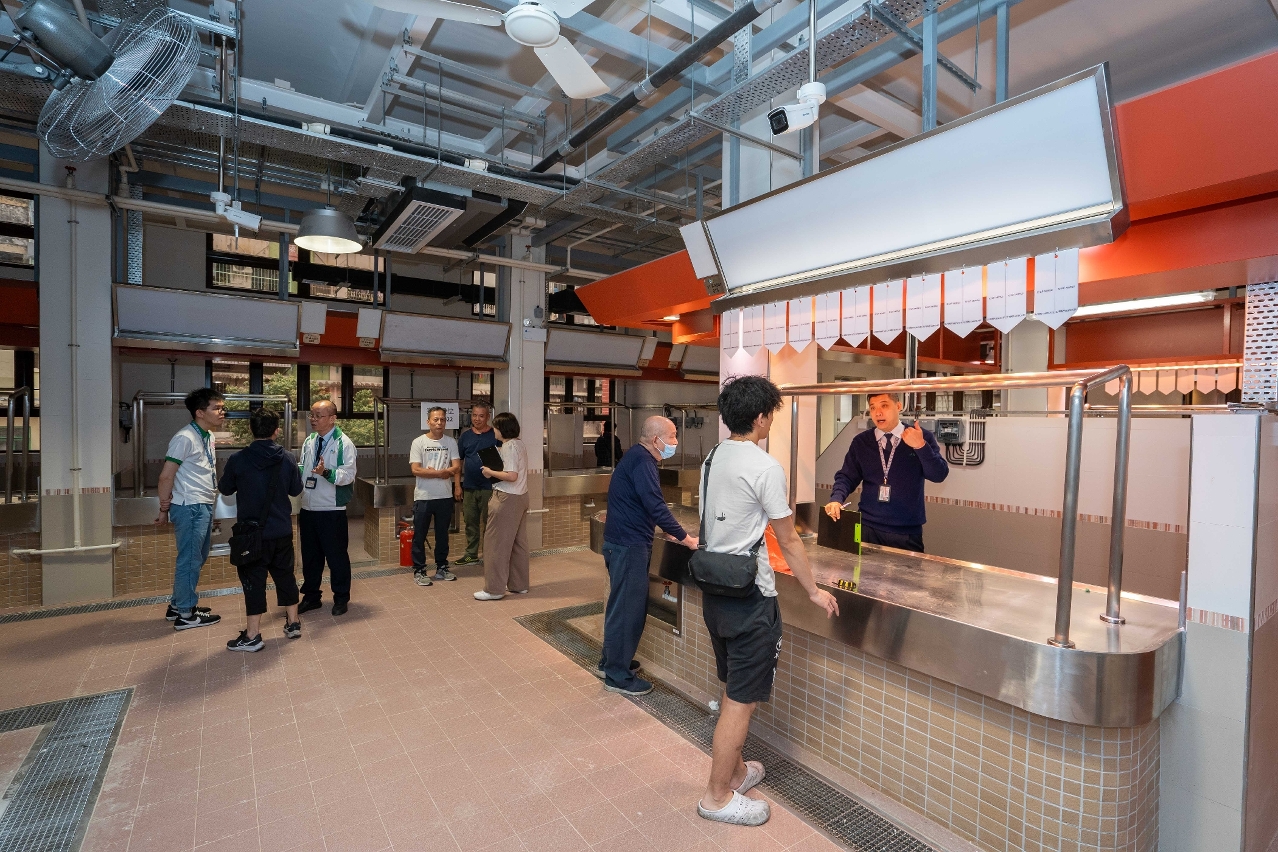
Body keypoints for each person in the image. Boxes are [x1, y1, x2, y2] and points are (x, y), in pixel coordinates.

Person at [696, 375, 839, 827]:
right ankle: (717, 797)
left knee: (732, 688)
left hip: (716, 593)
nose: (772, 421)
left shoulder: (712, 457)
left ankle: (737, 773)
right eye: (771, 414)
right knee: (740, 702)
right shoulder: (764, 467)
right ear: (760, 417)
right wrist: (813, 590)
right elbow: (789, 539)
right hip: (751, 599)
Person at [597, 416, 698, 696]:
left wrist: (664, 529)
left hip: (621, 543)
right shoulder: (643, 461)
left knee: (620, 607)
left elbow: (642, 503)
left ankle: (611, 662)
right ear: (656, 439)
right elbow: (655, 504)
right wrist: (685, 537)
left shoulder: (636, 457)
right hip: (629, 546)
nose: (675, 442)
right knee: (627, 611)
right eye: (673, 436)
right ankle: (617, 676)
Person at [217, 408, 304, 651]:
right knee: (285, 576)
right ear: (276, 431)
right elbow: (296, 489)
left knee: (254, 582)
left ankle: (253, 635)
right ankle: (293, 623)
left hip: (251, 536)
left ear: (251, 429)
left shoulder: (238, 459)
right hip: (281, 530)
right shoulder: (288, 458)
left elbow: (225, 489)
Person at [822, 392, 949, 552]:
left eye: (884, 405)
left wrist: (920, 446)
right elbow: (846, 476)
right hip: (866, 526)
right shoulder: (861, 442)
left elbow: (939, 474)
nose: (878, 413)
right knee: (861, 568)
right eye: (873, 408)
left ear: (898, 406)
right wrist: (836, 499)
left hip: (906, 531)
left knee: (907, 569)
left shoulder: (920, 436)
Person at [156, 387, 226, 631]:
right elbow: (166, 476)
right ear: (199, 412)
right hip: (189, 506)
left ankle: (178, 605)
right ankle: (186, 614)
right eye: (216, 408)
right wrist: (164, 509)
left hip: (203, 503)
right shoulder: (185, 438)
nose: (222, 412)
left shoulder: (208, 436)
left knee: (197, 557)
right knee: (190, 559)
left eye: (222, 408)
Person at [297, 400, 358, 616]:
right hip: (308, 508)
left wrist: (326, 472)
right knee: (310, 557)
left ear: (332, 418)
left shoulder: (344, 443)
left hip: (332, 510)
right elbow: (303, 467)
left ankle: (341, 598)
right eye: (312, 415)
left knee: (336, 557)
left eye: (318, 416)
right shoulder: (309, 440)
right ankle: (311, 597)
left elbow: (348, 475)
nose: (313, 419)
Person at [474, 412, 529, 601]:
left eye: (495, 427)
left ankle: (494, 589)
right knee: (518, 544)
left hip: (506, 499)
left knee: (495, 544)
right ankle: (519, 585)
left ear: (502, 429)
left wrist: (490, 471)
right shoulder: (519, 444)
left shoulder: (509, 446)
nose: (494, 431)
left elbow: (511, 476)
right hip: (521, 497)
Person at [409, 406, 461, 586]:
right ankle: (419, 570)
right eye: (436, 419)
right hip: (423, 496)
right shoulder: (418, 442)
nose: (439, 423)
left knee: (442, 535)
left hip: (444, 496)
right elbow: (416, 470)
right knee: (420, 535)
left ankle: (442, 567)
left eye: (442, 419)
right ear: (428, 422)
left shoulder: (451, 442)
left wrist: (437, 472)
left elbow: (456, 466)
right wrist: (441, 473)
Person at [455, 402, 499, 566]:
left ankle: (490, 555)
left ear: (488, 417)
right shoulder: (465, 437)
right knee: (470, 522)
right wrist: (458, 485)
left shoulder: (495, 435)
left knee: (490, 523)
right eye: (474, 415)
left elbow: (504, 459)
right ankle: (471, 554)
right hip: (469, 487)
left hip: (490, 487)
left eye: (481, 416)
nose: (477, 419)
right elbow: (458, 462)